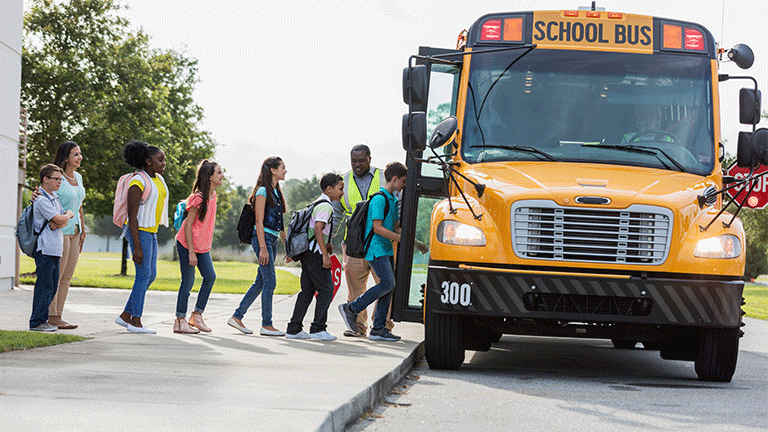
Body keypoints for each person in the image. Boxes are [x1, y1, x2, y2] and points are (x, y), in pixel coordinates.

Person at [338, 162, 408, 342]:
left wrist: (415, 242)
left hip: (386, 249)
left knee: (388, 287)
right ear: (395, 178)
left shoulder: (393, 199)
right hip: (375, 249)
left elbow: (395, 227)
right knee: (387, 284)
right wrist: (400, 238)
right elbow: (377, 228)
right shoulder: (379, 199)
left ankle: (378, 329)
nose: (404, 185)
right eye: (403, 181)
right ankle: (352, 309)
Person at [332, 144, 395, 337]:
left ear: (369, 158)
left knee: (386, 285)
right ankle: (357, 327)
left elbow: (397, 206)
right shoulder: (343, 181)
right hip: (353, 244)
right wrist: (328, 240)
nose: (357, 165)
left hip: (381, 242)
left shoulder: (385, 177)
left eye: (361, 160)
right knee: (355, 288)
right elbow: (336, 215)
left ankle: (382, 326)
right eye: (353, 161)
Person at [228, 156, 287, 336]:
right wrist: (262, 247)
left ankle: (237, 317)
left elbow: (280, 225)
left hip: (272, 239)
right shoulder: (262, 191)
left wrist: (288, 247)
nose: (285, 171)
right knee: (270, 281)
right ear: (273, 170)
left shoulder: (276, 191)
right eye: (283, 167)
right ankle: (267, 324)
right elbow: (259, 222)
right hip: (263, 239)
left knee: (261, 282)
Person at [115, 140, 168, 334]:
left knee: (150, 275)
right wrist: (136, 246)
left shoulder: (157, 180)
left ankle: (125, 315)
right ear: (147, 161)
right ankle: (135, 321)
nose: (163, 163)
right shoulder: (138, 181)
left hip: (151, 231)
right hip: (140, 231)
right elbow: (132, 215)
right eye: (160, 160)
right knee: (143, 275)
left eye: (164, 160)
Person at [285, 173, 344, 340]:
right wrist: (325, 254)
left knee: (308, 291)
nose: (342, 193)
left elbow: (315, 230)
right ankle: (318, 328)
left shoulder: (316, 203)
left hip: (307, 253)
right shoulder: (326, 206)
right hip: (315, 254)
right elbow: (318, 228)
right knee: (326, 290)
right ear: (329, 189)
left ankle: (294, 328)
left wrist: (325, 244)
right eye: (340, 189)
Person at [173, 160, 224, 334]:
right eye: (218, 173)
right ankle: (179, 321)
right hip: (187, 244)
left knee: (210, 277)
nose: (222, 175)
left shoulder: (213, 195)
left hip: (202, 246)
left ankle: (196, 315)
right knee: (188, 281)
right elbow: (187, 226)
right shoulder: (198, 198)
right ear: (210, 177)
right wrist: (191, 253)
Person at [29, 164, 74, 331]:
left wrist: (65, 216)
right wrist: (65, 216)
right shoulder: (41, 199)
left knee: (52, 286)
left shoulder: (54, 198)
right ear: (45, 179)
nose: (59, 182)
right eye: (56, 179)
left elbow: (64, 216)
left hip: (55, 249)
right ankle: (36, 322)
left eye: (61, 179)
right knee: (44, 286)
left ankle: (43, 320)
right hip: (45, 249)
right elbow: (62, 219)